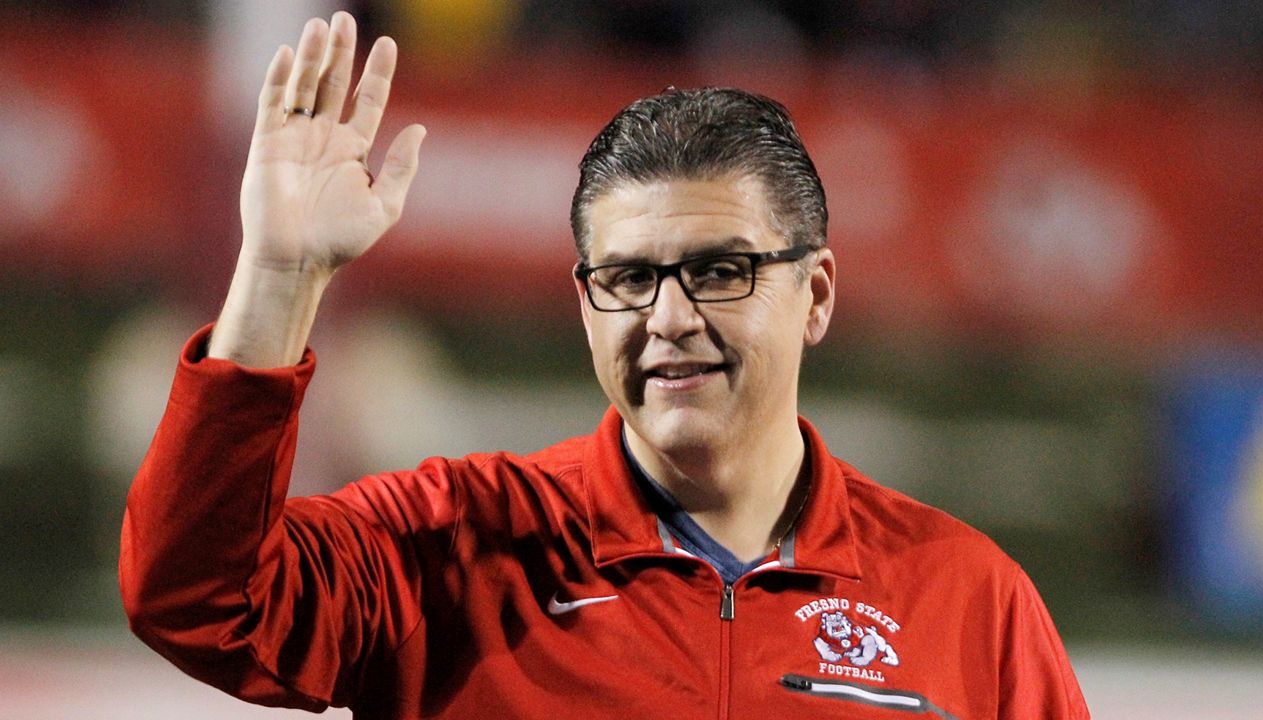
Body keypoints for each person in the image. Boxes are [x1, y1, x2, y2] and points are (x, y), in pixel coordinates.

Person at [120, 11, 1090, 720]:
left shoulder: (966, 599)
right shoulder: (449, 547)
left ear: (818, 294)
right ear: (586, 304)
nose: (667, 318)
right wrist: (280, 279)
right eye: (627, 278)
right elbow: (198, 600)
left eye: (719, 271)